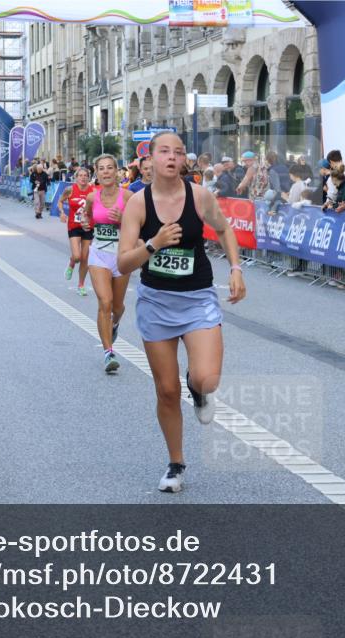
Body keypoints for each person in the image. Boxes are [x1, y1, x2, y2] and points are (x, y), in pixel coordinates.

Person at [116, 131, 247, 493]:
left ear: (184, 160)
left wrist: (236, 269)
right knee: (167, 390)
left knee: (205, 378)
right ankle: (176, 463)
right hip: (157, 302)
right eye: (164, 152)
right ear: (150, 159)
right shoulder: (137, 204)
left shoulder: (200, 196)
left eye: (178, 152)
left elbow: (225, 230)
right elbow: (124, 263)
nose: (171, 158)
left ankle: (201, 392)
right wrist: (154, 245)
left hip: (198, 299)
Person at [83, 154, 131, 373]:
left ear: (116, 171)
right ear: (97, 173)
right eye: (101, 168)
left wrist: (122, 220)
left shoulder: (129, 197)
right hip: (99, 254)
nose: (105, 172)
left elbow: (141, 226)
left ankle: (114, 324)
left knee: (118, 307)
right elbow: (86, 217)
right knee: (105, 302)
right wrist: (85, 223)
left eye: (110, 168)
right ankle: (108, 353)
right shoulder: (93, 198)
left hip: (121, 255)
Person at [61, 167, 95, 296]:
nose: (83, 177)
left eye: (85, 175)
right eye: (80, 175)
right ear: (76, 177)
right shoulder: (70, 190)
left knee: (85, 258)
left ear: (88, 177)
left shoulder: (93, 191)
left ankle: (81, 284)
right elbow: (60, 201)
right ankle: (71, 263)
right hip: (73, 226)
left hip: (88, 226)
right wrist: (62, 213)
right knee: (77, 256)